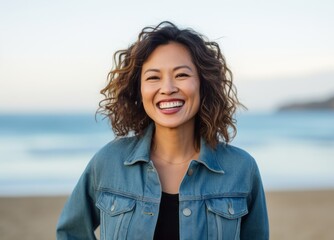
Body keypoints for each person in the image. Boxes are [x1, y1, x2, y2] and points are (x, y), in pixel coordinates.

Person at [56, 21, 269, 240]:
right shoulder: (108, 162)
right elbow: (71, 232)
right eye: (153, 77)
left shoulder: (242, 169)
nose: (167, 89)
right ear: (138, 90)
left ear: (204, 83)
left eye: (182, 75)